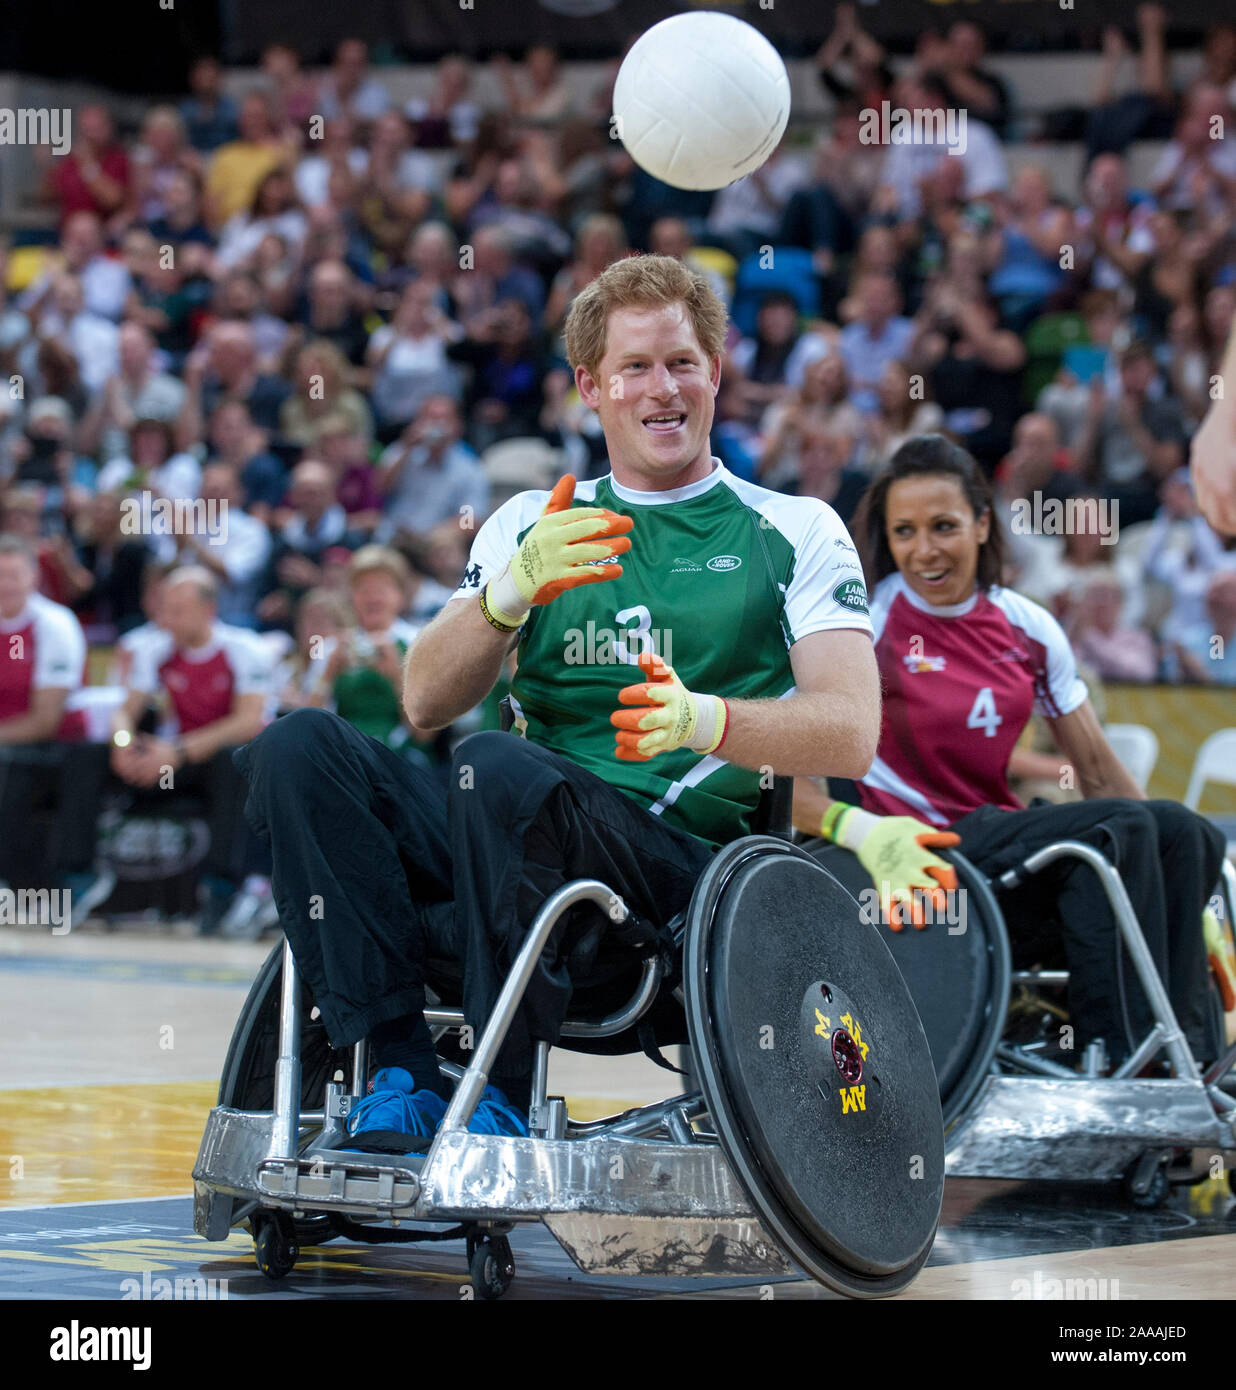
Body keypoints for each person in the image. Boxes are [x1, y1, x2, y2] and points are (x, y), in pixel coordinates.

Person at [234, 253, 879, 1148]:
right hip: (500, 847)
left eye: (684, 362)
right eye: (637, 367)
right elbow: (422, 699)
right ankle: (399, 1071)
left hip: (671, 881)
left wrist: (706, 719)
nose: (665, 388)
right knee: (298, 746)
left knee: (495, 763)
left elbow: (851, 734)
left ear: (718, 374)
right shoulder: (532, 519)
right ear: (591, 386)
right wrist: (509, 593)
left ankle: (496, 1094)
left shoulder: (797, 527)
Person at [793, 435, 1227, 1070]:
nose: (924, 550)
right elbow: (796, 784)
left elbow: (1101, 771)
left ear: (982, 523)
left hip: (998, 841)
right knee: (1121, 827)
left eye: (943, 527)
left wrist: (1194, 895)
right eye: (905, 532)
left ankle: (1197, 1073)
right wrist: (855, 830)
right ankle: (1114, 1057)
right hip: (921, 852)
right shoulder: (867, 628)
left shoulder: (1027, 625)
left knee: (1187, 833)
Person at [111, 566, 273, 934]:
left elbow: (248, 721)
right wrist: (123, 745)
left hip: (230, 762)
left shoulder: (244, 648)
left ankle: (220, 887)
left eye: (177, 610)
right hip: (177, 758)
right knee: (86, 756)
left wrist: (176, 752)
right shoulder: (153, 647)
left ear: (208, 610)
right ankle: (83, 876)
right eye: (164, 608)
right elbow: (125, 711)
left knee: (230, 758)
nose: (166, 618)